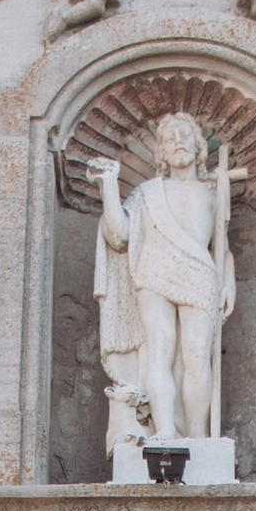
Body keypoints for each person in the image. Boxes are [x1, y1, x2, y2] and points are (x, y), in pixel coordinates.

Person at [95, 108, 234, 453]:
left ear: (198, 147)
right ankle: (166, 429)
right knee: (158, 350)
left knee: (198, 353)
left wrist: (228, 282)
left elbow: (223, 247)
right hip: (154, 271)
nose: (178, 142)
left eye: (185, 135)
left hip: (200, 273)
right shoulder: (147, 193)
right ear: (161, 152)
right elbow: (119, 236)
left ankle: (199, 437)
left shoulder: (213, 192)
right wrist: (109, 186)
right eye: (170, 138)